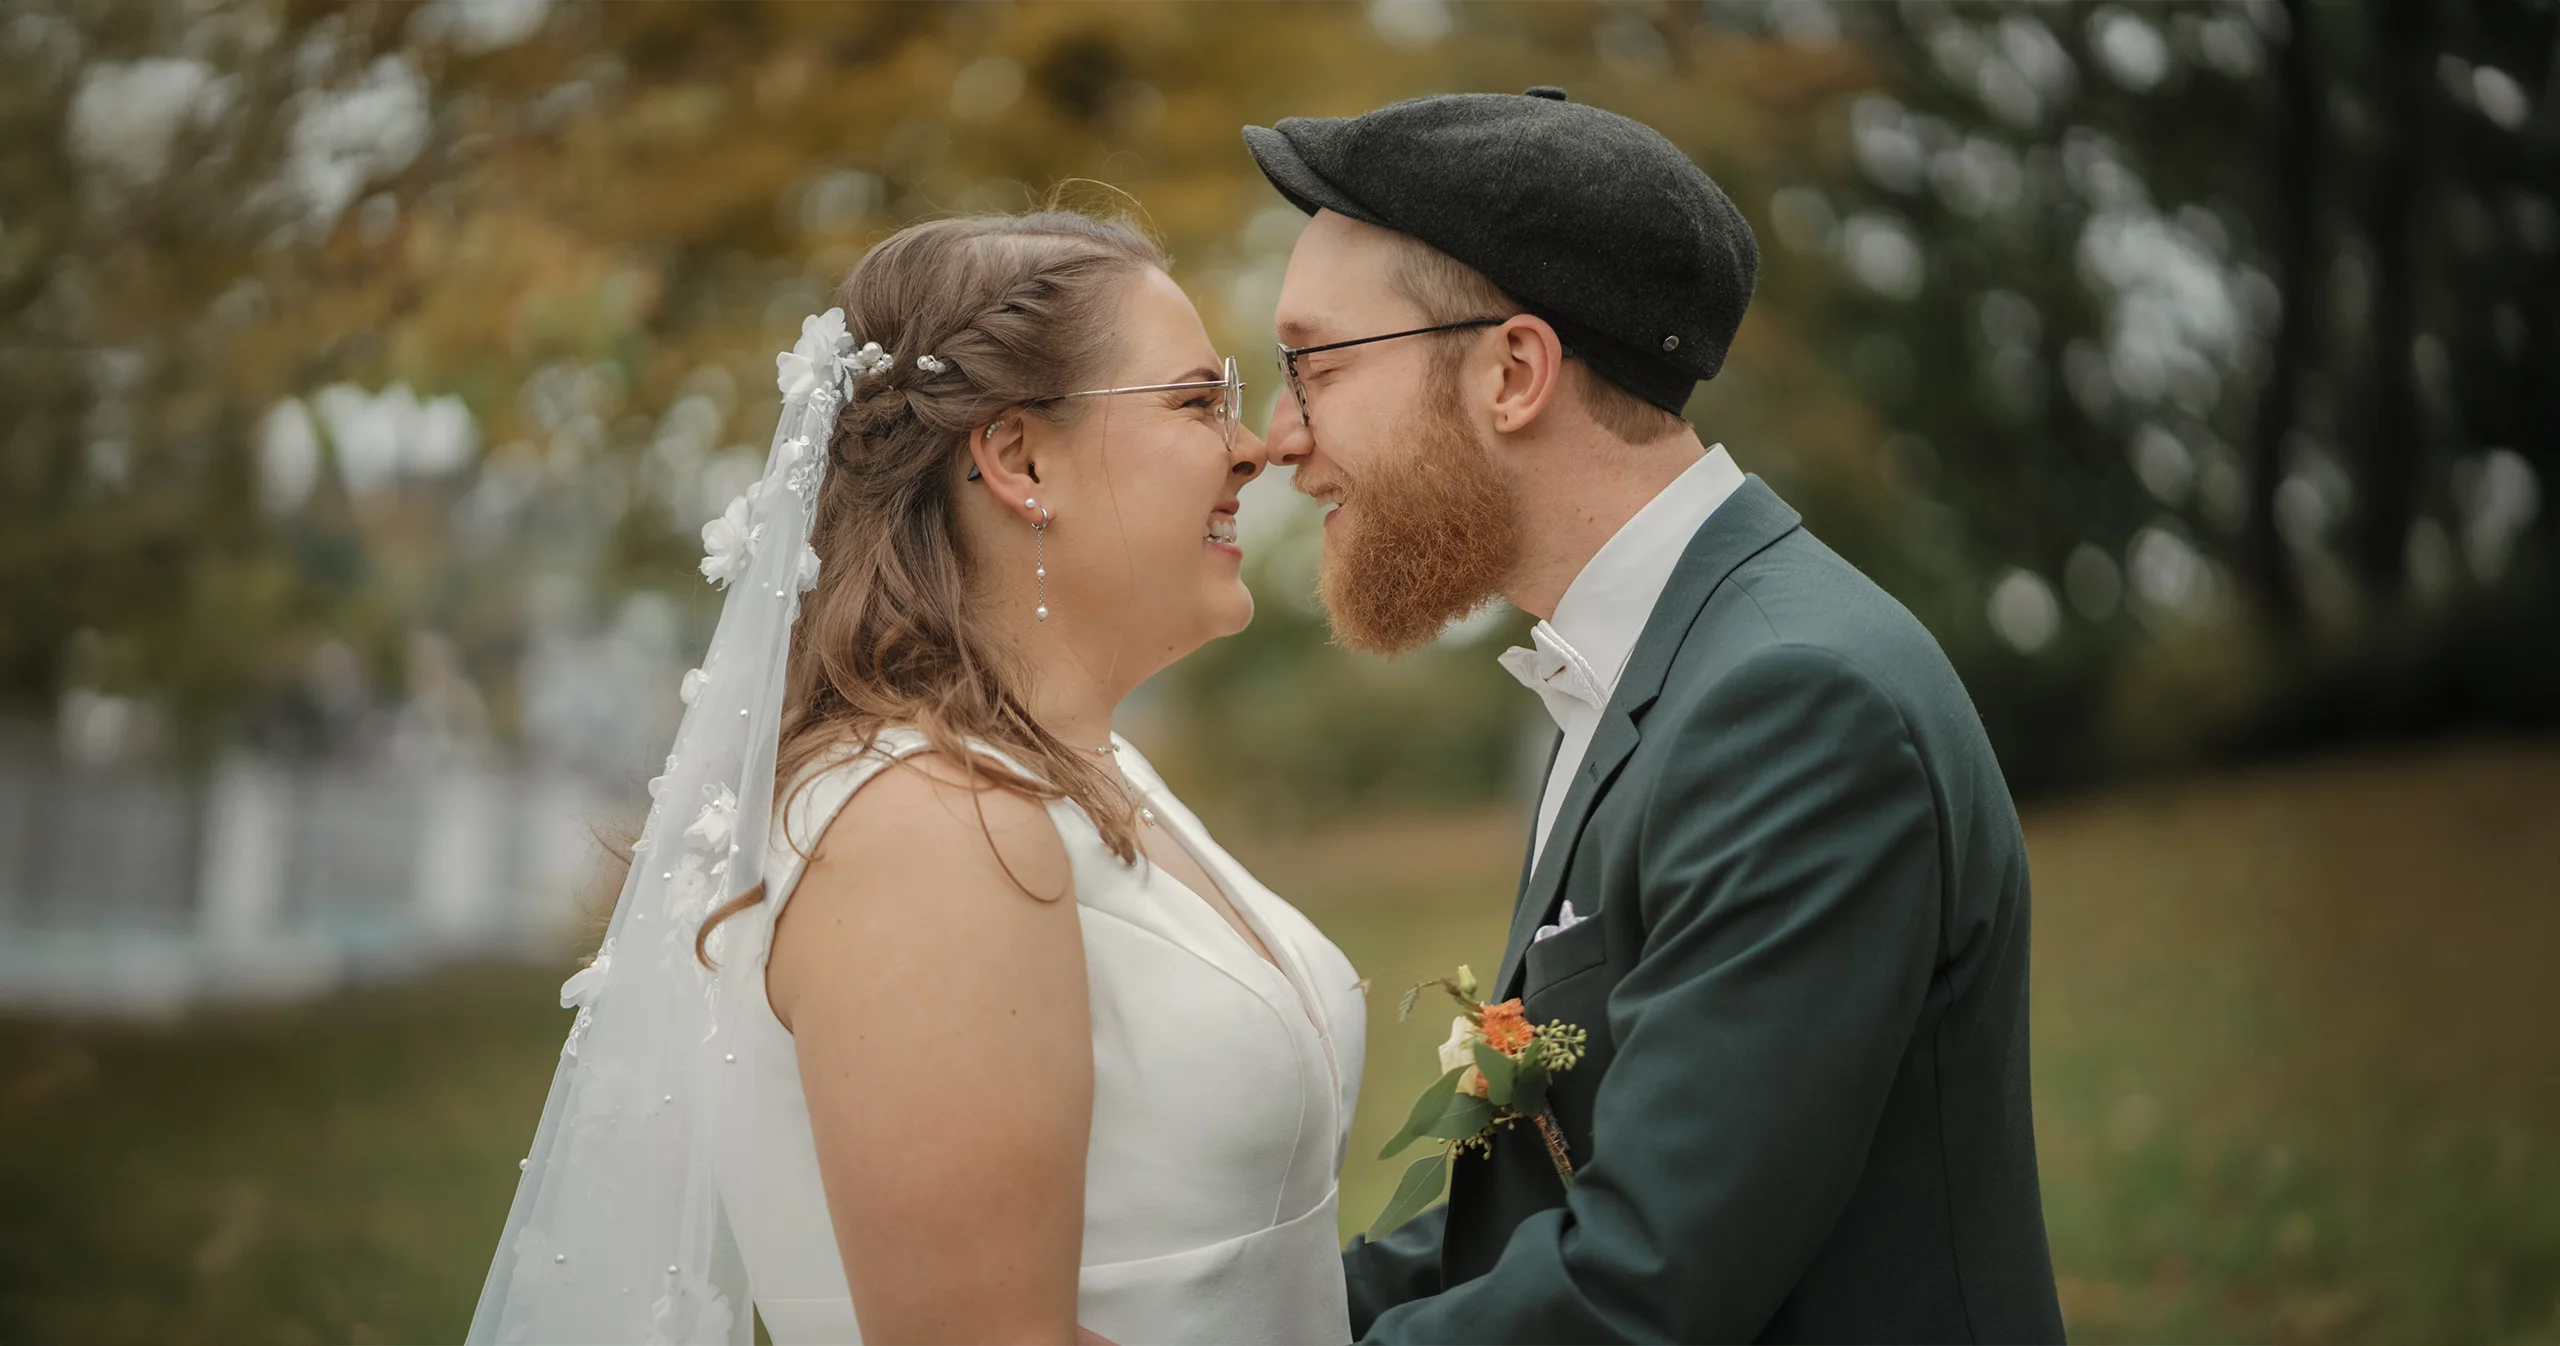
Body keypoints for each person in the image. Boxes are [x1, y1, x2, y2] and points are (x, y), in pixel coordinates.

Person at [1244, 89, 2069, 1344]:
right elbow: (1543, 1195)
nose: (1280, 436)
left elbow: (1650, 1278)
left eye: (1317, 363)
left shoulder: (1792, 703)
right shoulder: (1642, 663)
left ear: (1512, 371)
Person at [464, 211, 1367, 1346]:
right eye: (1195, 402)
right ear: (1019, 457)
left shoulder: (1078, 767)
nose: (1251, 447)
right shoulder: (926, 825)